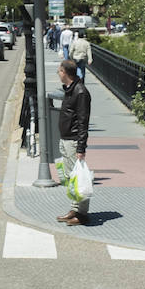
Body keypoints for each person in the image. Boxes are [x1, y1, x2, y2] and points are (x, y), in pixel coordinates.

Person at [56, 59, 92, 226]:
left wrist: (81, 147)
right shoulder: (70, 89)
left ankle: (82, 214)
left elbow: (83, 121)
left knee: (78, 179)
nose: (58, 73)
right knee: (71, 179)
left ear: (65, 73)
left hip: (73, 140)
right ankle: (74, 209)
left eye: (60, 71)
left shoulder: (80, 92)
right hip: (66, 138)